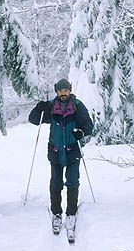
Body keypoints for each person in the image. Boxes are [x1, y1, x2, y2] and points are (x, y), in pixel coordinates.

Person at [28, 78, 93, 233]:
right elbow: (33, 120)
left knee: (72, 181)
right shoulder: (51, 106)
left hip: (72, 150)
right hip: (55, 151)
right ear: (56, 91)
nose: (63, 93)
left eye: (65, 90)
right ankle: (56, 213)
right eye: (60, 91)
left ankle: (71, 213)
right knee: (56, 183)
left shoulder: (77, 106)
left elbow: (88, 125)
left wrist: (81, 132)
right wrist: (38, 109)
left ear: (69, 91)